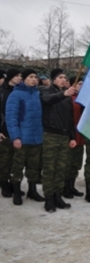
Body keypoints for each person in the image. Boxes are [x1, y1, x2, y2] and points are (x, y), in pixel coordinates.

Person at [40, 68, 77, 213]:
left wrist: (72, 137)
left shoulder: (67, 97)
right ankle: (49, 198)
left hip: (64, 136)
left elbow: (70, 119)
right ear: (54, 79)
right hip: (51, 135)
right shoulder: (46, 91)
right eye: (60, 77)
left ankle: (57, 195)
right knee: (50, 168)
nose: (63, 79)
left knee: (61, 168)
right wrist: (64, 93)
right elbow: (47, 100)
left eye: (64, 77)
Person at [6, 69, 44, 205]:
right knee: (17, 167)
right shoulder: (15, 95)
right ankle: (16, 192)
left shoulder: (37, 94)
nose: (34, 79)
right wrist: (15, 137)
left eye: (36, 77)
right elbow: (11, 118)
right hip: (22, 138)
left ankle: (32, 191)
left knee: (34, 166)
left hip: (36, 138)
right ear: (24, 79)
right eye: (31, 77)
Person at [0, 69, 22, 198]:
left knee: (16, 161)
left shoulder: (19, 91)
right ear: (10, 77)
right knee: (5, 160)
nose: (20, 78)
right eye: (17, 75)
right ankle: (4, 185)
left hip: (18, 131)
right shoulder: (2, 92)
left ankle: (14, 184)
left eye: (20, 75)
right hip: (4, 131)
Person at [63, 77, 85, 199]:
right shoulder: (69, 99)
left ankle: (71, 185)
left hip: (80, 137)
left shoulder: (83, 99)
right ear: (72, 85)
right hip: (72, 136)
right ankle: (65, 187)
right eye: (79, 84)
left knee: (76, 163)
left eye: (82, 84)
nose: (81, 86)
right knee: (68, 163)